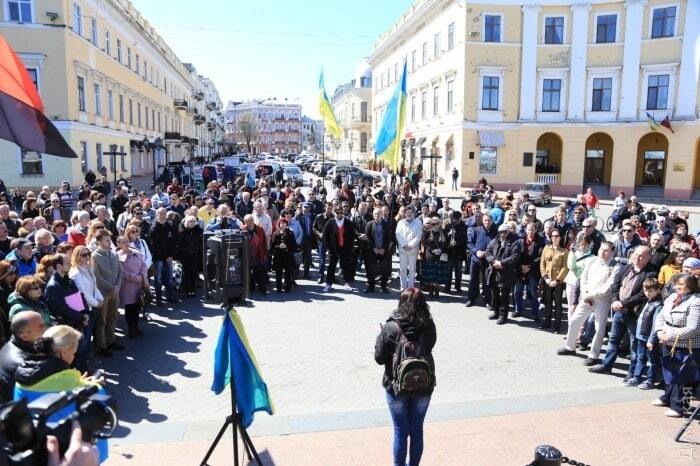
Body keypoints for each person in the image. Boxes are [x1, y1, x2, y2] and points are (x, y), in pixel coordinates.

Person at [13, 325, 108, 462]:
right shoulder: (77, 386)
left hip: (34, 448)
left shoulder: (21, 379)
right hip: (72, 452)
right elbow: (103, 409)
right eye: (74, 352)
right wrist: (95, 384)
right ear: (63, 352)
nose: (74, 356)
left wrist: (79, 381)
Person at [374, 288, 436, 466]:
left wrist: (381, 335)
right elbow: (430, 346)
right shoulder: (429, 325)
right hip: (424, 384)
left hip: (396, 386)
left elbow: (379, 358)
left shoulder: (390, 327)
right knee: (417, 429)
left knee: (401, 430)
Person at [590, 246, 656, 377]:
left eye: (641, 256)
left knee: (634, 345)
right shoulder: (626, 268)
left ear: (648, 258)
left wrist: (623, 303)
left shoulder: (651, 274)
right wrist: (615, 300)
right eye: (636, 254)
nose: (637, 257)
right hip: (619, 311)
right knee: (613, 340)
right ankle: (607, 365)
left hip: (634, 314)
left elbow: (642, 295)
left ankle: (632, 372)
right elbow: (615, 285)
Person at [558, 241, 616, 363]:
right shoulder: (592, 261)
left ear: (611, 252)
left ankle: (594, 355)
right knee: (574, 320)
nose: (602, 252)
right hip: (586, 298)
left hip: (602, 301)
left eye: (606, 250)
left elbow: (608, 287)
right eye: (601, 249)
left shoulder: (614, 267)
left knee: (599, 328)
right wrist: (585, 293)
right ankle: (570, 346)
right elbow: (583, 278)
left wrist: (591, 295)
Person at [653, 273, 700, 417]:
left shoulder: (696, 301)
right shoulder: (672, 297)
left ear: (690, 286)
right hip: (667, 340)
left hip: (687, 344)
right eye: (676, 284)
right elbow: (661, 316)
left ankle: (681, 407)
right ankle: (668, 398)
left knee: (684, 376)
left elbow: (694, 328)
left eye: (681, 285)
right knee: (669, 371)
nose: (677, 287)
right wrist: (659, 331)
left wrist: (671, 335)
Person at [0, 311, 46, 402]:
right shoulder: (26, 364)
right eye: (41, 327)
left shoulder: (9, 345)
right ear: (25, 336)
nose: (46, 329)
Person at [627, 277, 664, 388]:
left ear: (657, 290)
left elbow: (655, 325)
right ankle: (637, 377)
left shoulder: (658, 305)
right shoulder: (647, 301)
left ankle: (650, 380)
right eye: (645, 290)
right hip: (640, 336)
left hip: (649, 338)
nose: (647, 293)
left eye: (650, 291)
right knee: (640, 357)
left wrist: (651, 340)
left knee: (652, 360)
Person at [91, 229, 123, 358]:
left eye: (110, 240)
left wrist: (118, 286)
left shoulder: (114, 254)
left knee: (113, 317)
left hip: (115, 291)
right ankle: (101, 346)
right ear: (99, 242)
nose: (109, 242)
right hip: (103, 292)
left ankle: (111, 340)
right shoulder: (94, 256)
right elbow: (97, 277)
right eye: (106, 240)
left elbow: (120, 272)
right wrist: (112, 287)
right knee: (101, 320)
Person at [485, 224, 522, 324]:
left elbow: (514, 257)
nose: (502, 234)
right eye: (500, 232)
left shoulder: (515, 243)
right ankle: (495, 312)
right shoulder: (494, 241)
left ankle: (503, 316)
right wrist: (494, 262)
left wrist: (501, 263)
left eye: (504, 232)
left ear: (508, 232)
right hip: (493, 271)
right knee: (494, 294)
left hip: (506, 273)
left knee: (504, 296)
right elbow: (488, 252)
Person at [116, 235, 148, 339]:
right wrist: (138, 278)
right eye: (123, 242)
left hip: (139, 285)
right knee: (130, 308)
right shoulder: (117, 256)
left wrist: (143, 276)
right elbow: (123, 273)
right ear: (119, 244)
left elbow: (144, 266)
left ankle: (136, 326)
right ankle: (131, 329)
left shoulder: (136, 252)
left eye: (127, 241)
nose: (126, 243)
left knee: (138, 307)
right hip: (128, 287)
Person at [539, 228, 569, 332]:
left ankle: (557, 326)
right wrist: (546, 278)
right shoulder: (546, 248)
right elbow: (542, 264)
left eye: (556, 236)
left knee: (558, 303)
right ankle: (547, 322)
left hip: (558, 282)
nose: (554, 238)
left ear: (560, 238)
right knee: (547, 302)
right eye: (552, 236)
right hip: (547, 280)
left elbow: (565, 267)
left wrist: (557, 280)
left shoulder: (564, 251)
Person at [514, 222, 545, 320]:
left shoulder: (540, 242)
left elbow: (541, 257)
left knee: (533, 293)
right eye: (529, 229)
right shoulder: (520, 241)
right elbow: (515, 254)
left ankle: (535, 313)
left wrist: (530, 267)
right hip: (520, 270)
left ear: (536, 230)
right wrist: (521, 266)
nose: (530, 232)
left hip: (532, 271)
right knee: (517, 292)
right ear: (526, 230)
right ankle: (518, 309)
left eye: (532, 230)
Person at [322, 206, 356, 292]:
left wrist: (350, 247)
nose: (339, 214)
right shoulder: (330, 222)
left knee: (345, 266)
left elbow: (352, 235)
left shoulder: (348, 222)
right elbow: (325, 236)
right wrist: (329, 248)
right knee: (331, 267)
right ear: (334, 213)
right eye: (337, 212)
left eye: (341, 212)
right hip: (333, 249)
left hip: (345, 249)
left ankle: (347, 283)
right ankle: (328, 284)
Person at [466, 214, 497, 307]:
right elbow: (470, 243)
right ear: (482, 221)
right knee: (473, 279)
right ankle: (472, 298)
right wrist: (477, 251)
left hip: (488, 261)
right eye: (485, 220)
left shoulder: (495, 232)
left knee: (486, 280)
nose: (487, 222)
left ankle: (487, 300)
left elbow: (496, 246)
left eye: (488, 220)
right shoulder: (477, 230)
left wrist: (487, 253)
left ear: (492, 221)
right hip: (475, 259)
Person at [150, 208, 177, 306]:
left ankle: (170, 296)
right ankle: (159, 299)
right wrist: (164, 256)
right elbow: (154, 245)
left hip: (169, 257)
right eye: (160, 213)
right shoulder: (153, 228)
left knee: (169, 278)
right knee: (158, 279)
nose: (162, 215)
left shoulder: (170, 225)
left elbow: (173, 242)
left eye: (164, 213)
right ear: (157, 215)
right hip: (158, 258)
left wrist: (170, 255)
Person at [395, 206, 423, 291]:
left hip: (413, 250)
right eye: (407, 213)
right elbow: (398, 234)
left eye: (411, 212)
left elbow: (419, 235)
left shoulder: (418, 222)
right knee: (403, 269)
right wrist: (404, 245)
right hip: (403, 249)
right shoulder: (400, 222)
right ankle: (403, 287)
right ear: (404, 214)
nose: (409, 214)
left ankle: (410, 287)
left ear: (413, 213)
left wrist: (411, 245)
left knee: (412, 269)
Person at [365, 208, 392, 293]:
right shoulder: (369, 224)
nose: (377, 215)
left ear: (381, 214)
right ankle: (371, 286)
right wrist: (374, 248)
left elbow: (388, 238)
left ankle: (384, 287)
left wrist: (383, 248)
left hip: (383, 251)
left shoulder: (386, 224)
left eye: (379, 213)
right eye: (375, 214)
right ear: (373, 215)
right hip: (373, 250)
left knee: (385, 269)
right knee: (371, 269)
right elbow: (367, 238)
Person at [242, 214, 269, 295]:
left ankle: (262, 290)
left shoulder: (260, 229)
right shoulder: (243, 229)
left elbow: (264, 242)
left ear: (253, 220)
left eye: (250, 221)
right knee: (248, 273)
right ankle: (250, 288)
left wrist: (265, 253)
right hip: (247, 255)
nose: (248, 223)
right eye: (246, 221)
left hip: (258, 255)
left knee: (260, 273)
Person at [176, 216, 203, 298]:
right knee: (186, 273)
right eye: (190, 221)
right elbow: (179, 244)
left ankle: (193, 289)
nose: (191, 223)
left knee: (193, 272)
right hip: (185, 255)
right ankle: (187, 290)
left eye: (193, 221)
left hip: (195, 254)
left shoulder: (198, 230)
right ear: (186, 222)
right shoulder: (182, 231)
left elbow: (200, 242)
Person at [444, 211, 467, 294]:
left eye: (457, 219)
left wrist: (457, 242)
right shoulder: (448, 226)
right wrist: (449, 234)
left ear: (461, 218)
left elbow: (465, 239)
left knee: (458, 271)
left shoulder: (465, 227)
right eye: (454, 219)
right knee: (448, 271)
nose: (455, 221)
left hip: (459, 252)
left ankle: (458, 287)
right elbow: (444, 238)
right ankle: (447, 287)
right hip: (450, 252)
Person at [271, 218, 296, 293]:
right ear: (279, 224)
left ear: (287, 225)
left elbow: (294, 245)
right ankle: (278, 287)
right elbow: (272, 246)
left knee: (288, 272)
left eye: (284, 224)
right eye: (281, 224)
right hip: (278, 256)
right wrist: (278, 246)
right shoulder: (275, 233)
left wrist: (287, 246)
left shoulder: (290, 233)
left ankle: (287, 287)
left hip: (288, 256)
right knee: (278, 273)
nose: (283, 225)